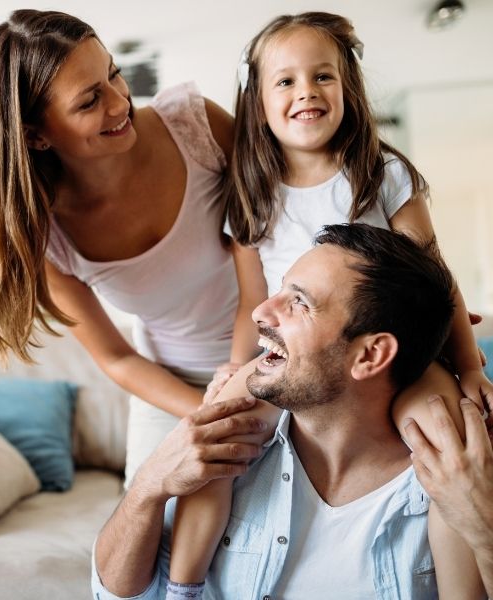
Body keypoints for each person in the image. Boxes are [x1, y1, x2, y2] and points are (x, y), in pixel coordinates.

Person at [167, 12, 493, 596]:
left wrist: (468, 368)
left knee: (446, 439)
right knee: (216, 432)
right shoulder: (251, 194)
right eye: (285, 81)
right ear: (258, 101)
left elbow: (437, 279)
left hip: (396, 358)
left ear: (347, 88)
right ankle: (183, 585)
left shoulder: (381, 173)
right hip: (291, 356)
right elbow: (251, 305)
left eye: (322, 77)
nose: (306, 93)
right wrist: (235, 367)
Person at [93, 223, 491, 599]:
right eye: (281, 289)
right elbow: (119, 596)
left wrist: (484, 527)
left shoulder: (461, 486)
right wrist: (148, 488)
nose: (259, 313)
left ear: (371, 354)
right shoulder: (230, 446)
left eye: (299, 303)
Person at [0, 9, 243, 485]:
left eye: (114, 74)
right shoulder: (48, 240)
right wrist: (208, 413)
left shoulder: (197, 126)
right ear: (35, 135)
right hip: (171, 385)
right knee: (149, 525)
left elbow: (290, 222)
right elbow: (117, 357)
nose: (121, 104)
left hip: (272, 353)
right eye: (90, 100)